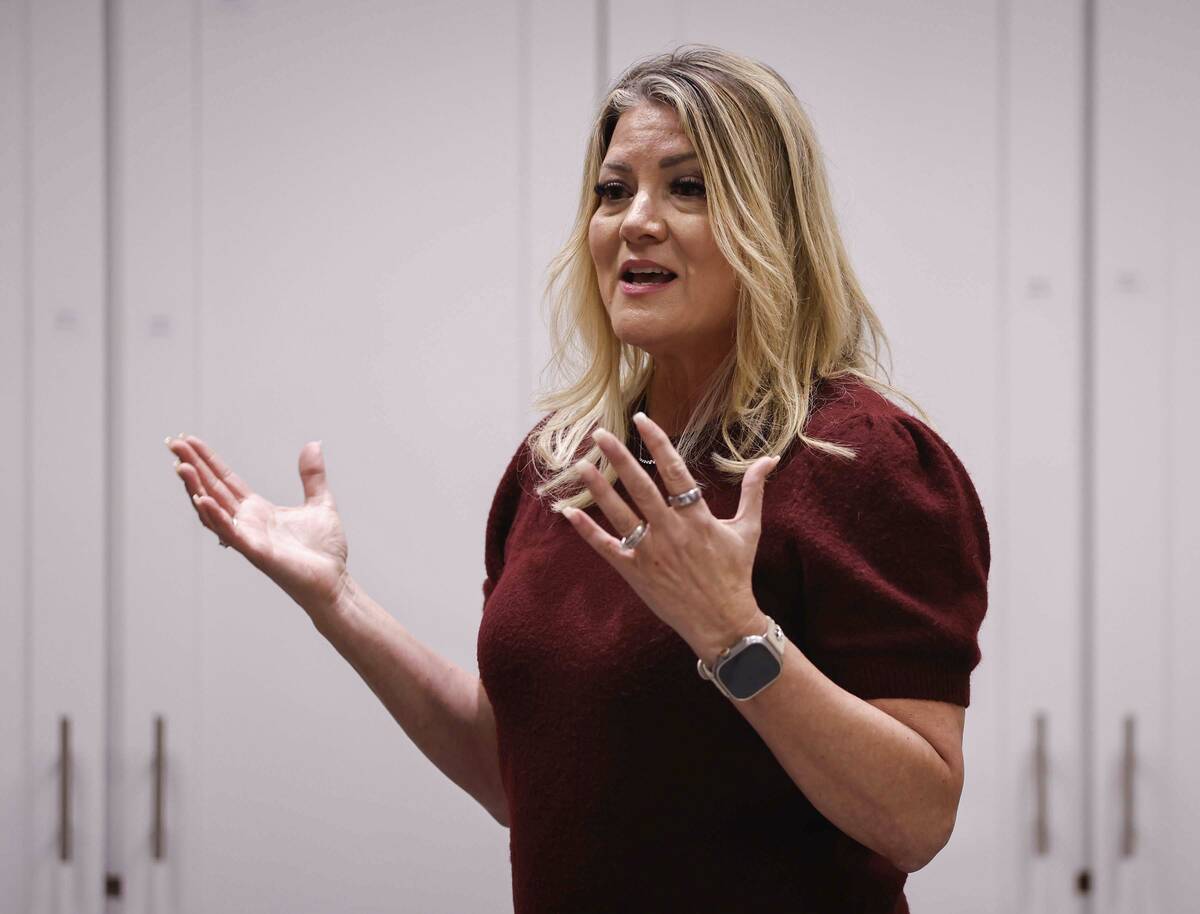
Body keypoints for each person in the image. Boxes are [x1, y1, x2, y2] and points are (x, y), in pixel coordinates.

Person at [167, 44, 990, 914]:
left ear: (772, 225)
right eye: (612, 190)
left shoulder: (862, 458)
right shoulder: (558, 467)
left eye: (688, 187)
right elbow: (515, 776)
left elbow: (915, 819)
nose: (635, 220)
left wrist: (731, 632)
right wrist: (339, 601)